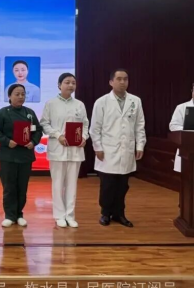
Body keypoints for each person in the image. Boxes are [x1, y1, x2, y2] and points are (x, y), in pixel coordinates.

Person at [90, 69, 146, 228]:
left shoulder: (135, 101)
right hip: (107, 150)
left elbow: (140, 125)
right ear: (111, 82)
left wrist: (140, 145)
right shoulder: (102, 102)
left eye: (125, 79)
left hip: (127, 149)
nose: (122, 82)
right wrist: (97, 147)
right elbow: (95, 128)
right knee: (108, 185)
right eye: (119, 79)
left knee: (123, 185)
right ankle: (105, 213)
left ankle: (119, 214)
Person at [40, 73, 89, 228]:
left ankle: (70, 215)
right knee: (57, 184)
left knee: (72, 184)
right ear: (59, 85)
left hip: (75, 150)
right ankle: (59, 215)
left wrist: (84, 137)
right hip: (58, 148)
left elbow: (85, 124)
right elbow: (44, 124)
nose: (70, 85)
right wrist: (58, 135)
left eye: (73, 83)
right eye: (67, 82)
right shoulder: (51, 103)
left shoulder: (79, 104)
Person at [0, 84, 42, 227]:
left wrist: (33, 142)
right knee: (9, 187)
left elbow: (38, 130)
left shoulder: (29, 113)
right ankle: (9, 215)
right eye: (17, 94)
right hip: (8, 155)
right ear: (9, 96)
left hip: (25, 155)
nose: (20, 97)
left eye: (23, 94)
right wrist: (7, 141)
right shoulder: (3, 113)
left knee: (22, 187)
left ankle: (19, 214)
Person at [169, 83, 194, 172]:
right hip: (188, 150)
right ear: (192, 91)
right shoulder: (182, 107)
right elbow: (173, 126)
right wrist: (189, 129)